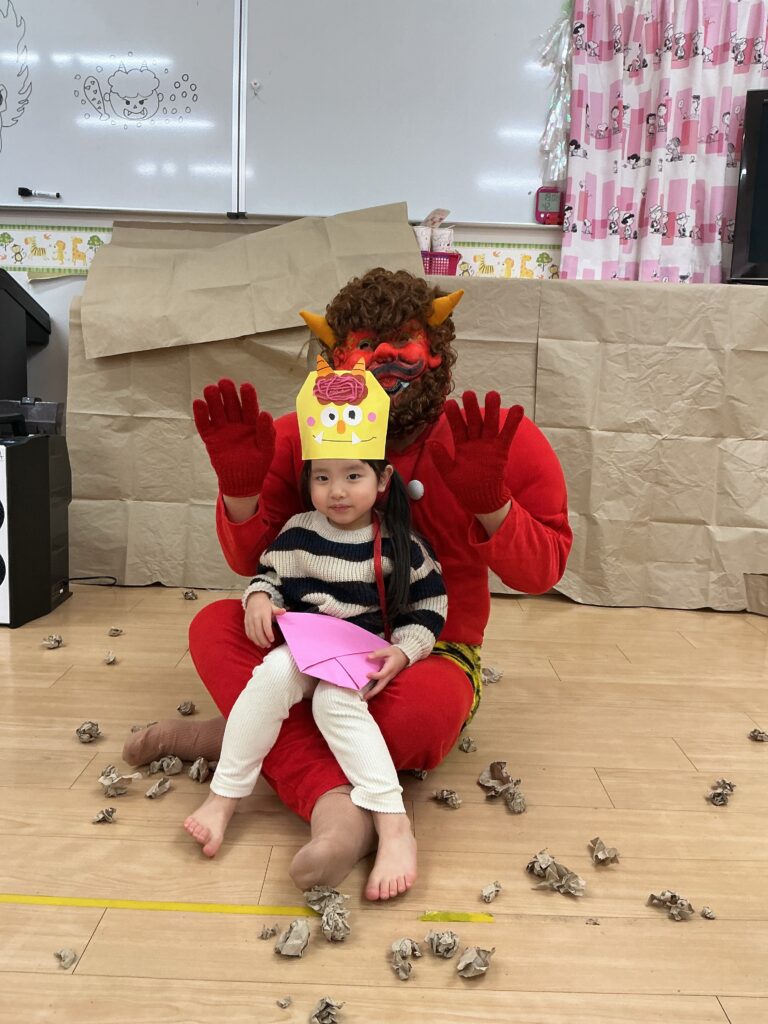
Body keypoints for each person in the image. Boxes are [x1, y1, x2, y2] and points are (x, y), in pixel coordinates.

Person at [123, 268, 573, 899]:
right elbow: (256, 560)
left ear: (437, 348)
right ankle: (341, 807)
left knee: (418, 720)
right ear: (333, 357)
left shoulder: (488, 438)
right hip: (308, 640)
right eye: (363, 346)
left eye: (402, 343)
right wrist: (242, 493)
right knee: (213, 627)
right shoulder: (297, 435)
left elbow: (543, 571)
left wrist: (492, 504)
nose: (382, 360)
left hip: (426, 651)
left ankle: (234, 738)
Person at [183, 357, 447, 900]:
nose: (337, 491)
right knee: (267, 679)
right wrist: (259, 597)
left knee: (333, 705)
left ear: (382, 480)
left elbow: (429, 607)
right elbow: (269, 575)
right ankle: (225, 797)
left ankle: (393, 825)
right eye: (323, 477)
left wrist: (403, 652)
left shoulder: (399, 543)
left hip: (361, 654)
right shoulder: (299, 531)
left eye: (353, 476)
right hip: (303, 644)